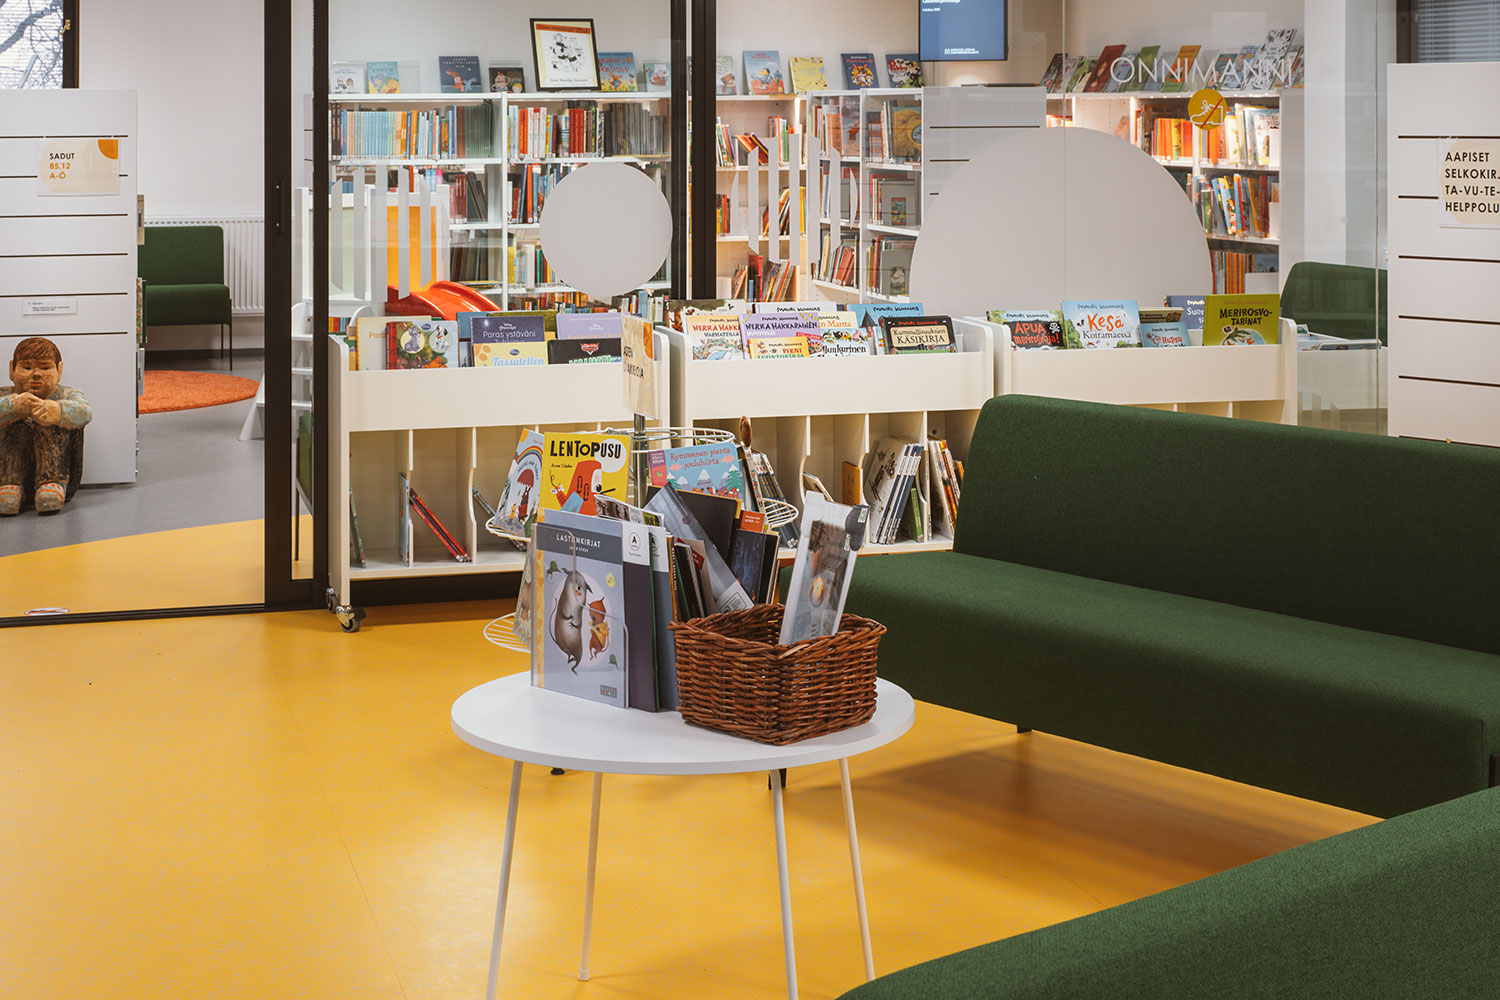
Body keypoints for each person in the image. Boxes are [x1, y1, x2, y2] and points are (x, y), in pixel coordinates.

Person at [0, 337, 93, 515]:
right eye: (27, 368)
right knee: (10, 420)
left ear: (59, 370)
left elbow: (85, 412)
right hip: (8, 472)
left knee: (48, 417)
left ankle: (51, 482)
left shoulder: (67, 394)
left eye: (45, 368)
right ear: (12, 370)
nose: (36, 374)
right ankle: (9, 484)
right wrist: (11, 406)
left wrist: (58, 411)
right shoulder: (5, 395)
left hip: (57, 470)